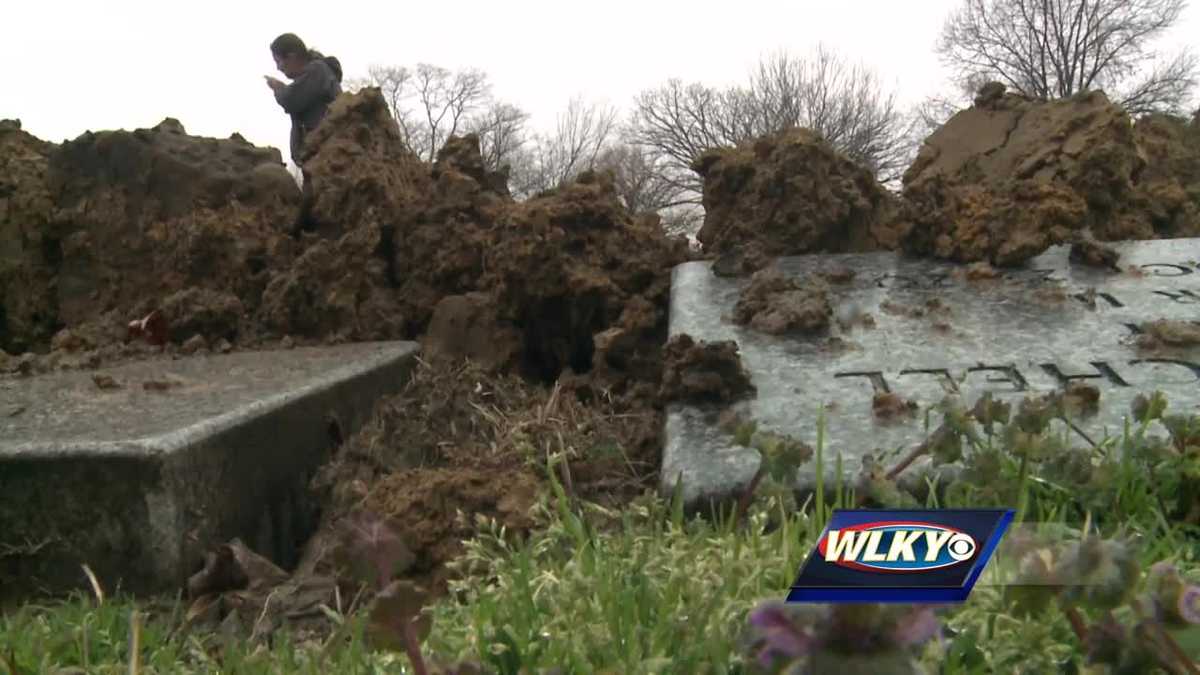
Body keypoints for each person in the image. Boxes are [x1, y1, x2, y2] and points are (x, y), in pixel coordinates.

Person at [265, 33, 343, 164]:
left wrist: (278, 88)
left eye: (278, 61)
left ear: (291, 57)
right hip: (319, 161)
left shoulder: (317, 70)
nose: (278, 68)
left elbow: (291, 100)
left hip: (332, 159)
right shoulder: (314, 75)